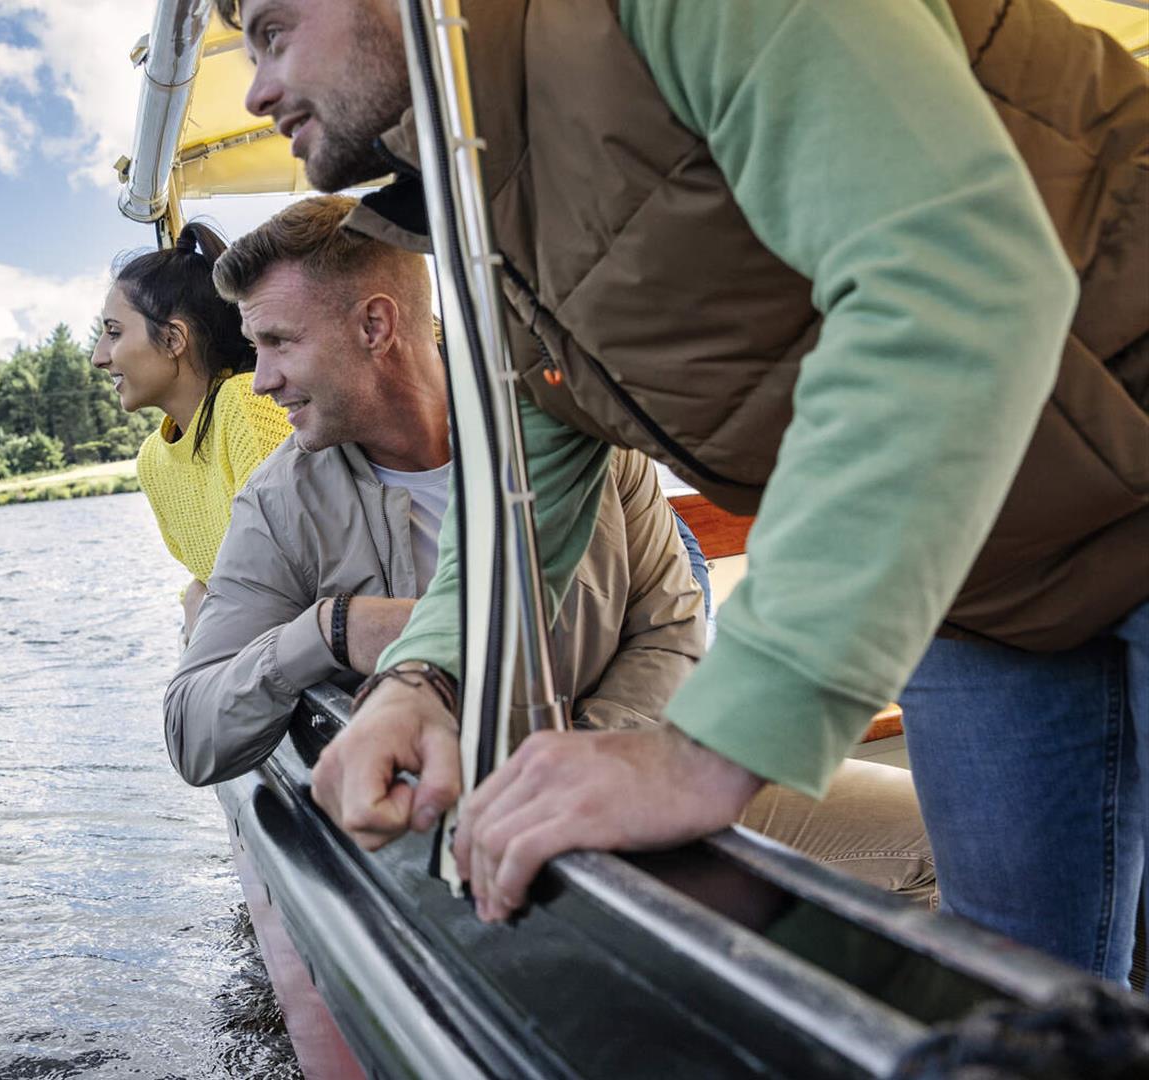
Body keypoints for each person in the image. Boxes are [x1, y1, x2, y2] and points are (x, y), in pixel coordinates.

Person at [219, 0, 1148, 978]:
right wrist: (427, 674)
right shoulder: (479, 186)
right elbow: (535, 460)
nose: (256, 86)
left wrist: (705, 750)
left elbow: (951, 276)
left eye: (273, 30)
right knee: (1014, 990)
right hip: (980, 584)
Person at [166, 194, 935, 903]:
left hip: (644, 779)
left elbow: (668, 628)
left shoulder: (571, 416)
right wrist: (329, 629)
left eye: (277, 343)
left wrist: (595, 765)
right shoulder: (277, 506)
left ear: (375, 325)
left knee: (938, 838)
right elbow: (193, 733)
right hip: (456, 858)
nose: (260, 380)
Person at [92, 222, 292, 635]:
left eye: (113, 333)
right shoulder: (154, 459)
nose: (98, 357)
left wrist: (201, 603)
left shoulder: (246, 405)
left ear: (173, 338)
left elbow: (281, 581)